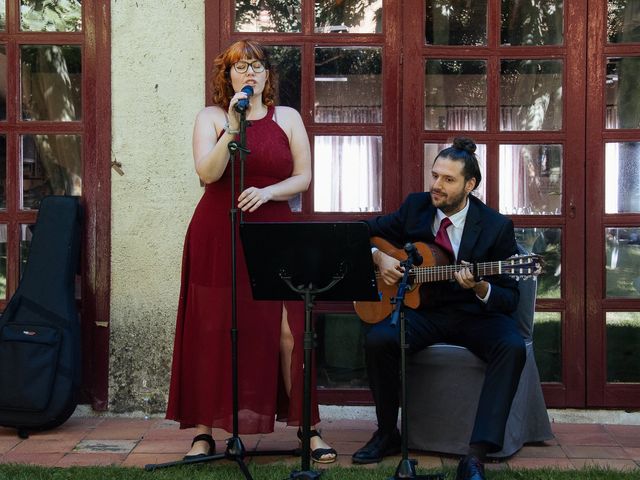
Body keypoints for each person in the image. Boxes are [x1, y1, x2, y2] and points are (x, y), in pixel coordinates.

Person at [166, 39, 336, 464]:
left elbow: (304, 177)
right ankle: (203, 432)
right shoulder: (211, 118)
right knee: (212, 327)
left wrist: (268, 192)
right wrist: (233, 127)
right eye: (240, 67)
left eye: (256, 66)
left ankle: (308, 429)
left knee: (288, 332)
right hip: (216, 232)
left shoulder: (289, 118)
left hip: (274, 232)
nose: (250, 73)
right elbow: (208, 173)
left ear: (267, 76)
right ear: (228, 77)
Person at [351, 137, 526, 480]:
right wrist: (379, 257)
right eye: (435, 176)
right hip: (424, 313)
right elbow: (361, 232)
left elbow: (510, 298)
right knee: (378, 339)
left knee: (512, 345)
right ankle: (387, 433)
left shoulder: (495, 226)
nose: (436, 186)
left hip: (474, 315)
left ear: (470, 185)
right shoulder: (416, 207)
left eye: (448, 180)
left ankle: (476, 453)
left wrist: (480, 286)